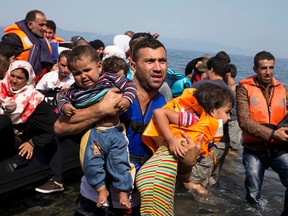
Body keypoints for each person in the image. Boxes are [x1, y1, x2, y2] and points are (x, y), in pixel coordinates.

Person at [54, 38, 200, 215]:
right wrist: (100, 109)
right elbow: (60, 128)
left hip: (137, 202)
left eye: (162, 61)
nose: (158, 67)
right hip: (95, 201)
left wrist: (188, 163)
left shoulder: (165, 106)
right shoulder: (111, 93)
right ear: (133, 65)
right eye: (149, 61)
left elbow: (180, 175)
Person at [58, 45, 137, 209]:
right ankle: (101, 190)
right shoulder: (74, 90)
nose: (83, 76)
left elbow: (130, 86)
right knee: (91, 163)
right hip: (93, 134)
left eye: (87, 70)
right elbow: (64, 99)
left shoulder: (109, 79)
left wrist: (126, 100)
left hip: (115, 131)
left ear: (99, 66)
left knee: (120, 162)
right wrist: (64, 106)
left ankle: (123, 192)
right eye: (77, 73)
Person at [138, 83, 233, 215]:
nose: (229, 117)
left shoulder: (209, 127)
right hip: (161, 169)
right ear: (212, 110)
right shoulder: (193, 118)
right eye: (227, 112)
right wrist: (171, 139)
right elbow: (159, 112)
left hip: (172, 172)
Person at [236, 51, 288, 215]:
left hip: (279, 149)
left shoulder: (282, 89)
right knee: (253, 195)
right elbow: (244, 122)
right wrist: (273, 134)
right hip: (255, 150)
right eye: (264, 68)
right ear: (255, 69)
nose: (268, 72)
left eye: (271, 67)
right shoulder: (244, 89)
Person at [0, 60, 63, 193]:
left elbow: (52, 127)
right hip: (9, 134)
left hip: (19, 136)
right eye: (12, 76)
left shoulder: (34, 100)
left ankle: (56, 179)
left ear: (27, 80)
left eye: (20, 78)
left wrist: (33, 143)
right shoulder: (3, 89)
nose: (14, 81)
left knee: (4, 121)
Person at [184, 56, 233, 193]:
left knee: (195, 182)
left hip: (204, 139)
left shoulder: (200, 86)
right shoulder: (228, 91)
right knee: (212, 180)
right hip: (222, 140)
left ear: (210, 70)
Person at [1, 10, 53, 82]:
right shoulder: (13, 38)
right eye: (41, 25)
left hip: (38, 84)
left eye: (45, 25)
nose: (44, 28)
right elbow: (3, 62)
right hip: (16, 83)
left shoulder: (43, 41)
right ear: (30, 25)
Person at [226, 64, 242, 155]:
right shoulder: (233, 87)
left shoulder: (233, 88)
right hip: (233, 121)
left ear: (228, 74)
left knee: (231, 149)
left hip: (233, 122)